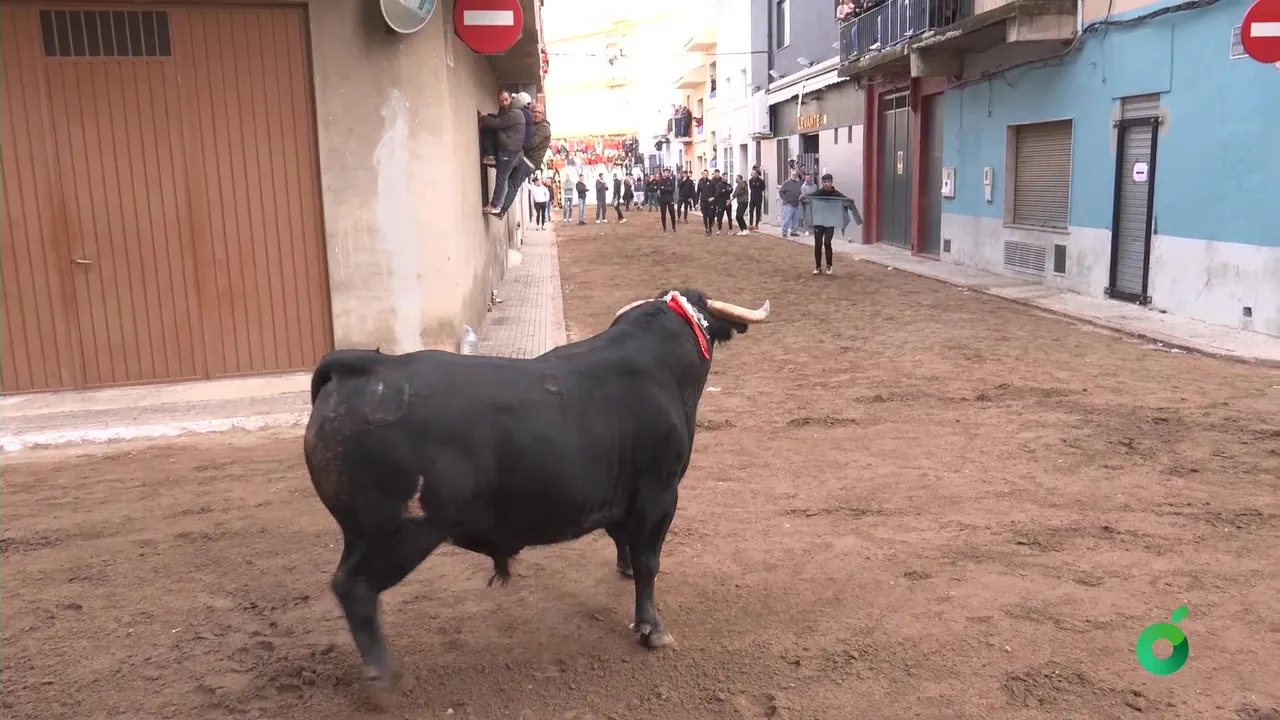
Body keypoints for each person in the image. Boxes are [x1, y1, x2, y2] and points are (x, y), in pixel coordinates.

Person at [497, 98, 551, 218]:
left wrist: (515, 144)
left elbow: (531, 144)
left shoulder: (544, 128)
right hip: (523, 158)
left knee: (513, 183)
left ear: (543, 115)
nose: (536, 114)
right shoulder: (532, 125)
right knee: (507, 179)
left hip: (528, 161)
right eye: (534, 111)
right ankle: (499, 205)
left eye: (539, 112)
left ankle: (501, 210)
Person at [801, 173, 863, 276]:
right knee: (818, 244)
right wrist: (802, 198)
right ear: (822, 183)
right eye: (825, 182)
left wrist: (850, 200)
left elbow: (845, 200)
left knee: (827, 243)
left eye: (828, 182)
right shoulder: (818, 193)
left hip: (830, 223)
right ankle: (818, 267)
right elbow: (807, 199)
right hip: (818, 223)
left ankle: (829, 265)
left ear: (831, 182)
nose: (827, 184)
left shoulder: (836, 194)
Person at [478, 91, 527, 216]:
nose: (504, 103)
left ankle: (496, 205)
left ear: (511, 99)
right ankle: (490, 156)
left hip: (509, 152)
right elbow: (500, 120)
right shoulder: (510, 111)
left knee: (502, 178)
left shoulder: (515, 113)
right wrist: (489, 117)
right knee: (502, 178)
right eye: (501, 101)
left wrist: (483, 118)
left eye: (506, 100)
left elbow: (498, 123)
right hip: (511, 151)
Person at [778, 171, 803, 237]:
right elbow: (781, 191)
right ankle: (784, 232)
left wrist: (801, 196)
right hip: (788, 204)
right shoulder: (787, 183)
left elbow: (801, 192)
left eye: (796, 175)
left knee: (795, 220)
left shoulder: (799, 184)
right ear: (791, 175)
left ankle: (794, 232)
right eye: (793, 174)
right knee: (787, 219)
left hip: (796, 203)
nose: (794, 176)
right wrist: (785, 199)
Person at [657, 168, 678, 233]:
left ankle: (674, 226)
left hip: (670, 199)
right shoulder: (660, 181)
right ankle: (664, 227)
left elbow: (672, 189)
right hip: (663, 200)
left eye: (668, 172)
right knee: (663, 214)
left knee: (672, 213)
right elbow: (660, 190)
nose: (667, 173)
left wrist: (665, 188)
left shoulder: (671, 180)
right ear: (663, 173)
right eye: (665, 172)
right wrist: (668, 188)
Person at [695, 170, 715, 236]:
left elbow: (714, 191)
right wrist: (696, 203)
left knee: (710, 216)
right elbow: (698, 193)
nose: (705, 175)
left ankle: (710, 227)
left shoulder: (711, 182)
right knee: (704, 215)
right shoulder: (700, 183)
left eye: (706, 174)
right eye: (704, 174)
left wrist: (713, 198)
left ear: (708, 174)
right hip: (703, 202)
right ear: (702, 174)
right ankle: (706, 229)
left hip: (710, 202)